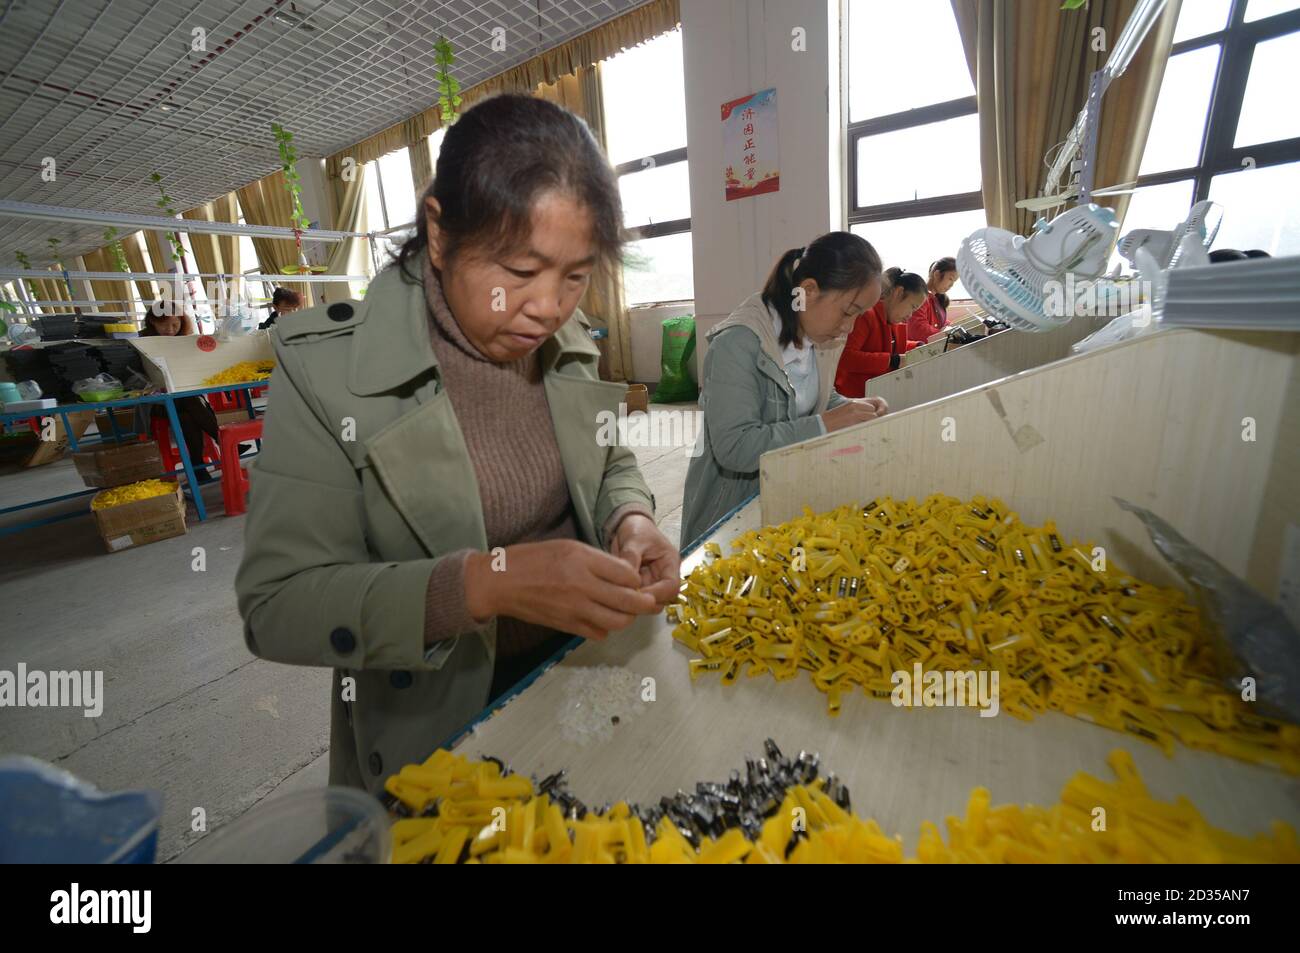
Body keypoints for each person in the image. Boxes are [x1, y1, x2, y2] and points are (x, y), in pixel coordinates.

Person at [236, 94, 680, 794]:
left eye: (576, 275)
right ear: (439, 235)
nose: (549, 307)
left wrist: (631, 516)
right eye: (519, 271)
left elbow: (606, 455)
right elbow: (278, 605)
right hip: (439, 726)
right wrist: (484, 584)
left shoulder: (564, 339)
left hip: (582, 673)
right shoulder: (328, 375)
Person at [680, 232, 889, 548]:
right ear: (808, 290)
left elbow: (813, 397)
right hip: (729, 510)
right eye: (849, 311)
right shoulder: (737, 345)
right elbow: (736, 447)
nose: (849, 326)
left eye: (859, 315)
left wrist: (854, 409)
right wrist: (828, 424)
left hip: (783, 491)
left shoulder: (816, 337)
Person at [141, 299, 220, 484]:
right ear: (153, 322)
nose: (170, 330)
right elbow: (137, 378)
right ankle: (220, 438)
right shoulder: (141, 342)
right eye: (164, 325)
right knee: (190, 401)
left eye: (175, 324)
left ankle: (197, 466)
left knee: (187, 413)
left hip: (184, 398)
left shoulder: (184, 340)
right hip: (158, 402)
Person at [835, 267, 927, 398]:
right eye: (912, 307)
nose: (910, 315)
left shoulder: (893, 319)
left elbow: (889, 345)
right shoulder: (866, 314)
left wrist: (916, 347)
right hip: (853, 397)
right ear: (899, 293)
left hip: (876, 394)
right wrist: (891, 361)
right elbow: (845, 357)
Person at [906, 257, 958, 343]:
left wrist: (951, 327)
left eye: (954, 281)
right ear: (937, 274)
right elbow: (918, 330)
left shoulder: (936, 299)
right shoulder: (920, 297)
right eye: (950, 279)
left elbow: (941, 323)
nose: (951, 285)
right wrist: (944, 334)